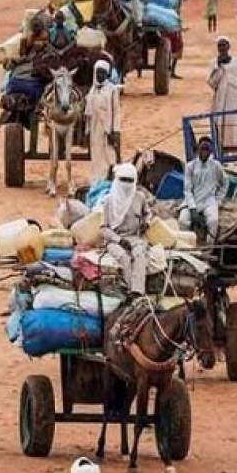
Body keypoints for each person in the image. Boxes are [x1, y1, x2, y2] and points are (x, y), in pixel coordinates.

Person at [101, 163, 152, 296]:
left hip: (135, 238)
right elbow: (104, 229)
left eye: (130, 181)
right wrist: (119, 240)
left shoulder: (139, 197)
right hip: (115, 240)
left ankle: (137, 292)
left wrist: (146, 223)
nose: (126, 184)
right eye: (123, 180)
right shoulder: (108, 201)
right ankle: (129, 290)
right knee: (124, 258)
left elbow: (147, 213)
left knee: (139, 255)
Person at [178, 136, 226, 243]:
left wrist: (218, 200)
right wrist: (192, 209)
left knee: (213, 221)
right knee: (183, 221)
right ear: (198, 149)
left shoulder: (216, 166)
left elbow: (224, 184)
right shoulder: (190, 166)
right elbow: (187, 190)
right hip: (192, 199)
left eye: (207, 149)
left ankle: (208, 248)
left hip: (209, 201)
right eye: (202, 149)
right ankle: (186, 247)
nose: (204, 152)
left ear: (210, 151)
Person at [207, 37, 237, 150]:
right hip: (220, 99)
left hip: (234, 98)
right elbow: (212, 84)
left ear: (228, 46)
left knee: (235, 124)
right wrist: (218, 67)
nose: (222, 48)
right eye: (220, 46)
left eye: (224, 45)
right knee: (220, 124)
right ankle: (221, 148)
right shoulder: (213, 63)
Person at [85, 60, 120, 183]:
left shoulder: (112, 90)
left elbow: (116, 112)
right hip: (95, 128)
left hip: (107, 128)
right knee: (96, 155)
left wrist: (115, 131)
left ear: (107, 74)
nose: (100, 75)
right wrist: (87, 130)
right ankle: (97, 181)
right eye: (98, 73)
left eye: (103, 73)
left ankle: (109, 179)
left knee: (109, 155)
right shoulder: (93, 89)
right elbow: (88, 113)